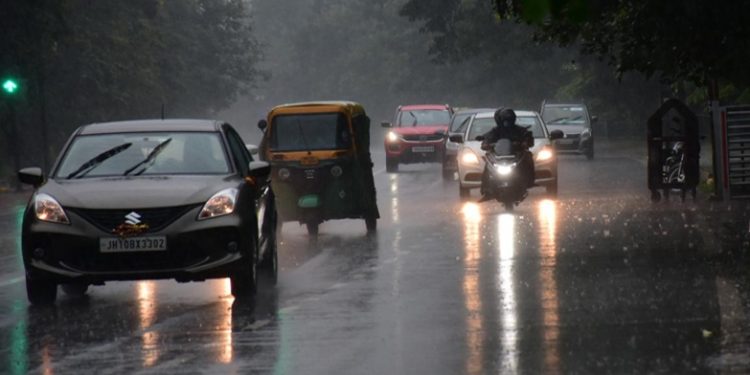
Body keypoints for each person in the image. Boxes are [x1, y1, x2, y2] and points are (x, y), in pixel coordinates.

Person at [479, 108, 535, 201]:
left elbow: (528, 138)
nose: (507, 123)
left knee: (528, 156)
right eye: (505, 120)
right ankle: (486, 189)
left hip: (515, 155)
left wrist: (525, 142)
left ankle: (529, 180)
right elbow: (488, 137)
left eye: (509, 120)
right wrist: (486, 143)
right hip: (499, 156)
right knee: (488, 162)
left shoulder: (520, 130)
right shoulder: (496, 131)